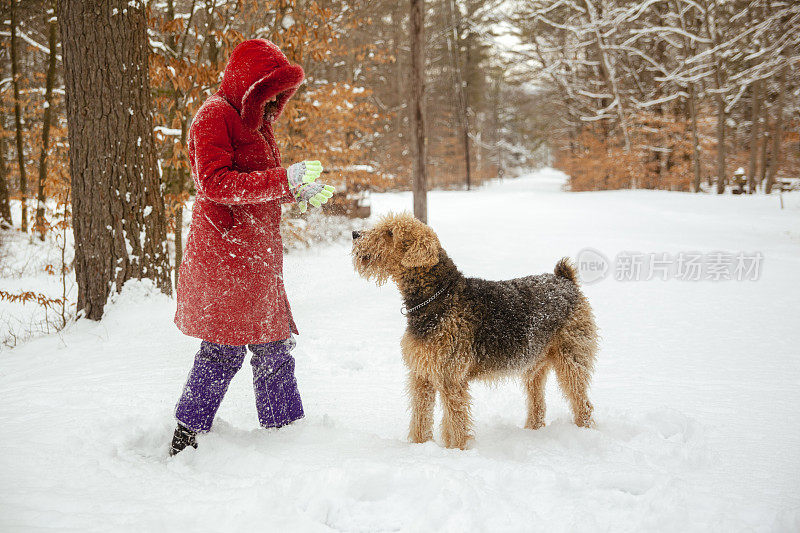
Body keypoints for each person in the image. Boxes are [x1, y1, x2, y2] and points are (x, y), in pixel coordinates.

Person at [168, 39, 335, 455]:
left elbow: (256, 187)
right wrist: (284, 179)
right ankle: (187, 437)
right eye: (270, 93)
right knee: (222, 349)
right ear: (251, 85)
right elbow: (216, 184)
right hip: (224, 256)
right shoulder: (213, 116)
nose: (276, 102)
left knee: (274, 347)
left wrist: (297, 190)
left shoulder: (257, 122)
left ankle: (285, 437)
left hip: (257, 257)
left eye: (280, 96)